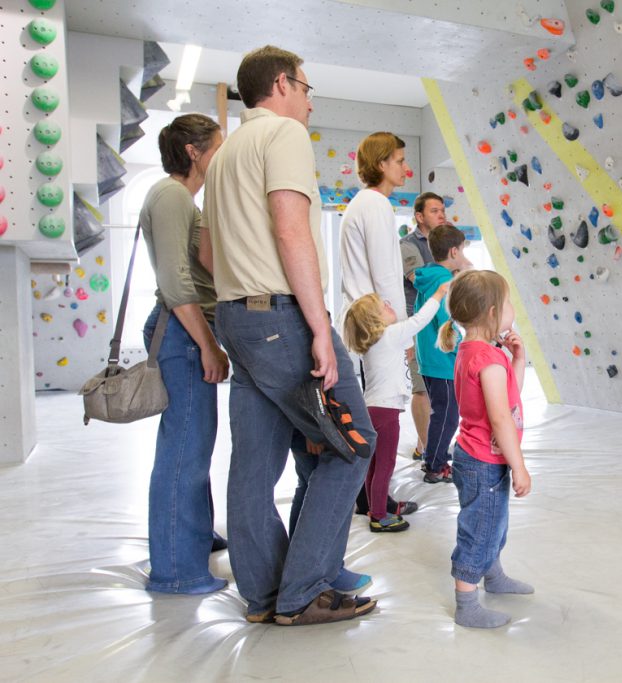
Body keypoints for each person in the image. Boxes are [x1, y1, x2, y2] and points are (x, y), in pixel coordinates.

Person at [202, 45, 377, 625]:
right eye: (306, 88)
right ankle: (304, 592)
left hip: (235, 317)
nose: (308, 100)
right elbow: (290, 228)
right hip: (280, 318)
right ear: (282, 84)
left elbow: (206, 251)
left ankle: (262, 596)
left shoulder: (224, 155)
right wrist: (320, 327)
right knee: (354, 445)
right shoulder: (283, 136)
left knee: (254, 465)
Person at [139, 113, 229, 594]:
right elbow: (175, 283)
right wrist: (208, 345)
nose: (222, 156)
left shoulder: (183, 199)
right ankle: (175, 569)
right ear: (194, 152)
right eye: (217, 148)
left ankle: (192, 534)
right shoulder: (172, 195)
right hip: (183, 333)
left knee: (194, 444)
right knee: (183, 452)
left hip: (184, 331)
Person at [438, 270, 533, 628]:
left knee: (493, 523)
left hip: (475, 456)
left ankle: (493, 575)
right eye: (508, 303)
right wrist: (519, 466)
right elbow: (501, 420)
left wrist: (518, 362)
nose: (512, 309)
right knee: (480, 529)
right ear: (493, 312)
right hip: (483, 461)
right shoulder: (489, 360)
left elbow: (508, 401)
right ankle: (467, 605)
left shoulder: (476, 352)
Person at [338, 131, 417, 517]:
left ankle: (368, 495)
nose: (406, 168)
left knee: (369, 417)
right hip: (377, 322)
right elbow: (387, 273)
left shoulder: (362, 204)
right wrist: (401, 331)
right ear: (382, 163)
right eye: (400, 161)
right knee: (383, 420)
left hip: (362, 320)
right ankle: (377, 502)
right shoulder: (376, 205)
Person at [342, 282, 450, 531]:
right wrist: (439, 293)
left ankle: (373, 506)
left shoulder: (373, 344)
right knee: (385, 465)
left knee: (374, 464)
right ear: (374, 321)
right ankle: (379, 516)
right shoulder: (389, 336)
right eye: (384, 307)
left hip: (371, 409)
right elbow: (419, 321)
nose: (390, 306)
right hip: (385, 411)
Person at [413, 224, 473, 483]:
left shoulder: (429, 276)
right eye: (461, 251)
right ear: (453, 251)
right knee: (447, 416)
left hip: (429, 358)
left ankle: (433, 459)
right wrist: (466, 347)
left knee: (442, 413)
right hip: (442, 360)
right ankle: (435, 464)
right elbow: (446, 324)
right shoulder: (442, 283)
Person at [401, 192, 447, 460]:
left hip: (442, 322)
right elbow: (419, 279)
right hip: (417, 325)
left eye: (442, 210)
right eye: (434, 211)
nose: (441, 215)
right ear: (419, 217)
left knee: (441, 386)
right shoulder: (408, 245)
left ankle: (432, 443)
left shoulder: (443, 242)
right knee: (421, 386)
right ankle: (427, 449)